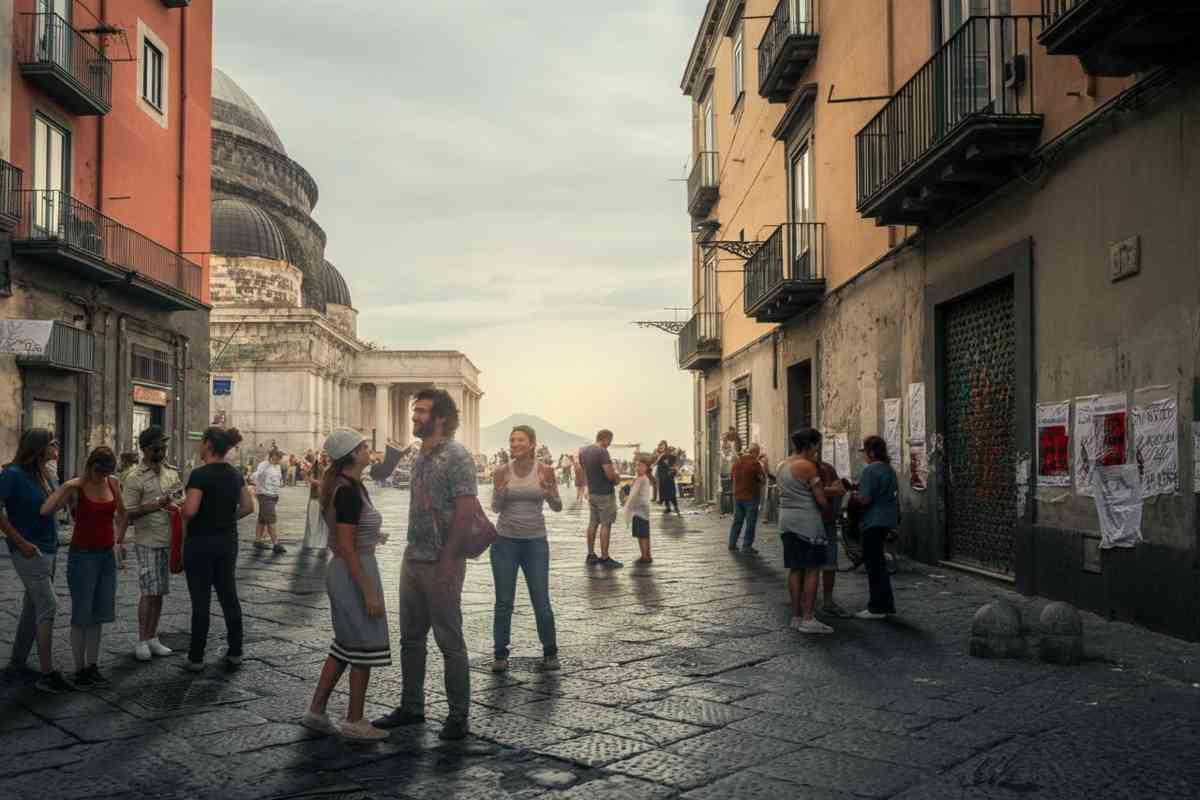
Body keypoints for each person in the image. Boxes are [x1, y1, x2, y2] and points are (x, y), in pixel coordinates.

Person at [373, 388, 476, 741]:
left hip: (441, 561)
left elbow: (465, 510)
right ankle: (412, 707)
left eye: (421, 412)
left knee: (450, 641)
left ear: (441, 418)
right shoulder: (420, 454)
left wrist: (449, 560)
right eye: (414, 411)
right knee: (411, 639)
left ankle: (458, 715)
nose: (414, 417)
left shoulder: (457, 456)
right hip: (413, 557)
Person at [303, 429, 390, 742]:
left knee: (344, 646)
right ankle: (354, 720)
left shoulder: (347, 486)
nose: (369, 451)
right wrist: (368, 592)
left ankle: (316, 711)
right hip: (353, 570)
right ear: (353, 454)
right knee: (363, 646)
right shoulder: (349, 491)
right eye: (364, 447)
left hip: (347, 567)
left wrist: (372, 536)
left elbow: (347, 534)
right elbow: (346, 545)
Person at [41, 447, 127, 688]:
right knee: (82, 614)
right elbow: (46, 510)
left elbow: (123, 514)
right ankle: (79, 669)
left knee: (99, 613)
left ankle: (92, 666)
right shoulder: (76, 488)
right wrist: (67, 487)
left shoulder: (113, 483)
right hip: (83, 556)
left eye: (107, 473)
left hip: (106, 556)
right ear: (92, 467)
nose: (103, 477)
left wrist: (119, 539)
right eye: (100, 472)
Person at [0, 429, 71, 693]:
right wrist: (20, 543)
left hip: (49, 548)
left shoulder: (45, 474)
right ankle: (47, 673)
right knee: (48, 606)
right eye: (52, 443)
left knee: (33, 607)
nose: (57, 446)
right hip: (29, 551)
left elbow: (54, 507)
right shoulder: (12, 474)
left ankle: (16, 664)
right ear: (39, 447)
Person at [181, 427, 256, 672]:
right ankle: (236, 651)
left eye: (202, 441)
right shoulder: (235, 474)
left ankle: (196, 657)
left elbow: (190, 511)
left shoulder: (199, 475)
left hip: (200, 542)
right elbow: (248, 507)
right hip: (226, 542)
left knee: (201, 600)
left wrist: (181, 509)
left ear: (209, 445)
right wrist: (225, 517)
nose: (200, 445)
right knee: (229, 596)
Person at [489, 425, 562, 674]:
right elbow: (496, 508)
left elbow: (557, 506)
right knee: (504, 600)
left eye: (520, 440)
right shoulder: (501, 471)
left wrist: (549, 492)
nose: (515, 444)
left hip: (535, 542)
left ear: (531, 443)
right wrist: (499, 492)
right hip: (504, 541)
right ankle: (500, 654)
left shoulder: (545, 470)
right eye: (512, 440)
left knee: (540, 598)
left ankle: (550, 651)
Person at [122, 426, 181, 661]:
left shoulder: (171, 473)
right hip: (147, 540)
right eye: (158, 447)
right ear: (145, 450)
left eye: (164, 447)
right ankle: (141, 640)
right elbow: (129, 513)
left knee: (159, 593)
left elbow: (179, 497)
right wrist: (157, 503)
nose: (162, 451)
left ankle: (152, 637)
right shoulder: (135, 477)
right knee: (149, 591)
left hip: (168, 539)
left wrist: (177, 504)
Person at [777, 429, 833, 635]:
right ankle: (809, 618)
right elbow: (820, 500)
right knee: (812, 569)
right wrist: (832, 500)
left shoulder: (782, 465)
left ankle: (796, 615)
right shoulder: (808, 467)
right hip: (807, 523)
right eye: (817, 445)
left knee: (794, 569)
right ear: (809, 445)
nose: (817, 450)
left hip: (786, 522)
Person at [850, 435, 899, 620]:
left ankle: (877, 607)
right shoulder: (889, 469)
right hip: (886, 520)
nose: (864, 456)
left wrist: (855, 496)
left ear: (871, 451)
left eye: (865, 451)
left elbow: (865, 499)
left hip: (873, 521)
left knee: (874, 565)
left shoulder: (870, 470)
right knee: (879, 564)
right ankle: (885, 605)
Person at [815, 453, 851, 618]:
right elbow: (814, 492)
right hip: (810, 521)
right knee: (808, 563)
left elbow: (840, 489)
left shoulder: (827, 468)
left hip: (827, 519)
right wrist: (829, 490)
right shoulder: (800, 468)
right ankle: (807, 599)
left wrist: (823, 491)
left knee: (830, 562)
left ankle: (828, 601)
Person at [580, 430, 622, 567]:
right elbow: (610, 475)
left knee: (593, 523)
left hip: (592, 492)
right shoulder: (602, 452)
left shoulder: (584, 451)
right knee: (606, 524)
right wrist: (617, 479)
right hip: (604, 493)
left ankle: (591, 554)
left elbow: (584, 469)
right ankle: (605, 557)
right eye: (610, 441)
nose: (609, 444)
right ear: (605, 439)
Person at [729, 443, 765, 554]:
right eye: (757, 453)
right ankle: (746, 546)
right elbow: (762, 479)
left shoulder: (737, 462)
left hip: (737, 496)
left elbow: (732, 477)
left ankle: (732, 543)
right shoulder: (755, 463)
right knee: (750, 523)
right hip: (751, 497)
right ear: (755, 452)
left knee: (737, 521)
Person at [252, 449, 285, 554]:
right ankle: (276, 544)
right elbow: (256, 476)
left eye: (281, 456)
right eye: (279, 456)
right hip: (264, 495)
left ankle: (257, 541)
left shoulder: (278, 466)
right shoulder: (264, 465)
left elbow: (277, 479)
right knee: (271, 519)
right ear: (273, 456)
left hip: (273, 495)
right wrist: (257, 487)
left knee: (262, 518)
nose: (280, 458)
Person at [624, 457, 654, 564]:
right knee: (643, 534)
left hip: (640, 510)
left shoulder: (641, 479)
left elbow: (634, 495)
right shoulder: (642, 479)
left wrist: (628, 499)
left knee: (642, 535)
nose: (638, 468)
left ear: (646, 468)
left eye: (641, 466)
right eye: (637, 465)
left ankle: (644, 556)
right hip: (642, 509)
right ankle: (647, 555)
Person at [302, 453, 329, 551]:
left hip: (317, 497)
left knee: (314, 519)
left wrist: (309, 478)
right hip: (317, 497)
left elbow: (320, 482)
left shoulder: (320, 467)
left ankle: (316, 541)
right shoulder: (319, 467)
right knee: (317, 519)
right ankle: (318, 541)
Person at [655, 445, 681, 515]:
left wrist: (673, 471)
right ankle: (668, 508)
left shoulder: (672, 457)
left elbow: (675, 467)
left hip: (669, 478)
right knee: (665, 494)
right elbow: (657, 464)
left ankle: (675, 507)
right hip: (663, 479)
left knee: (671, 494)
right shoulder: (662, 457)